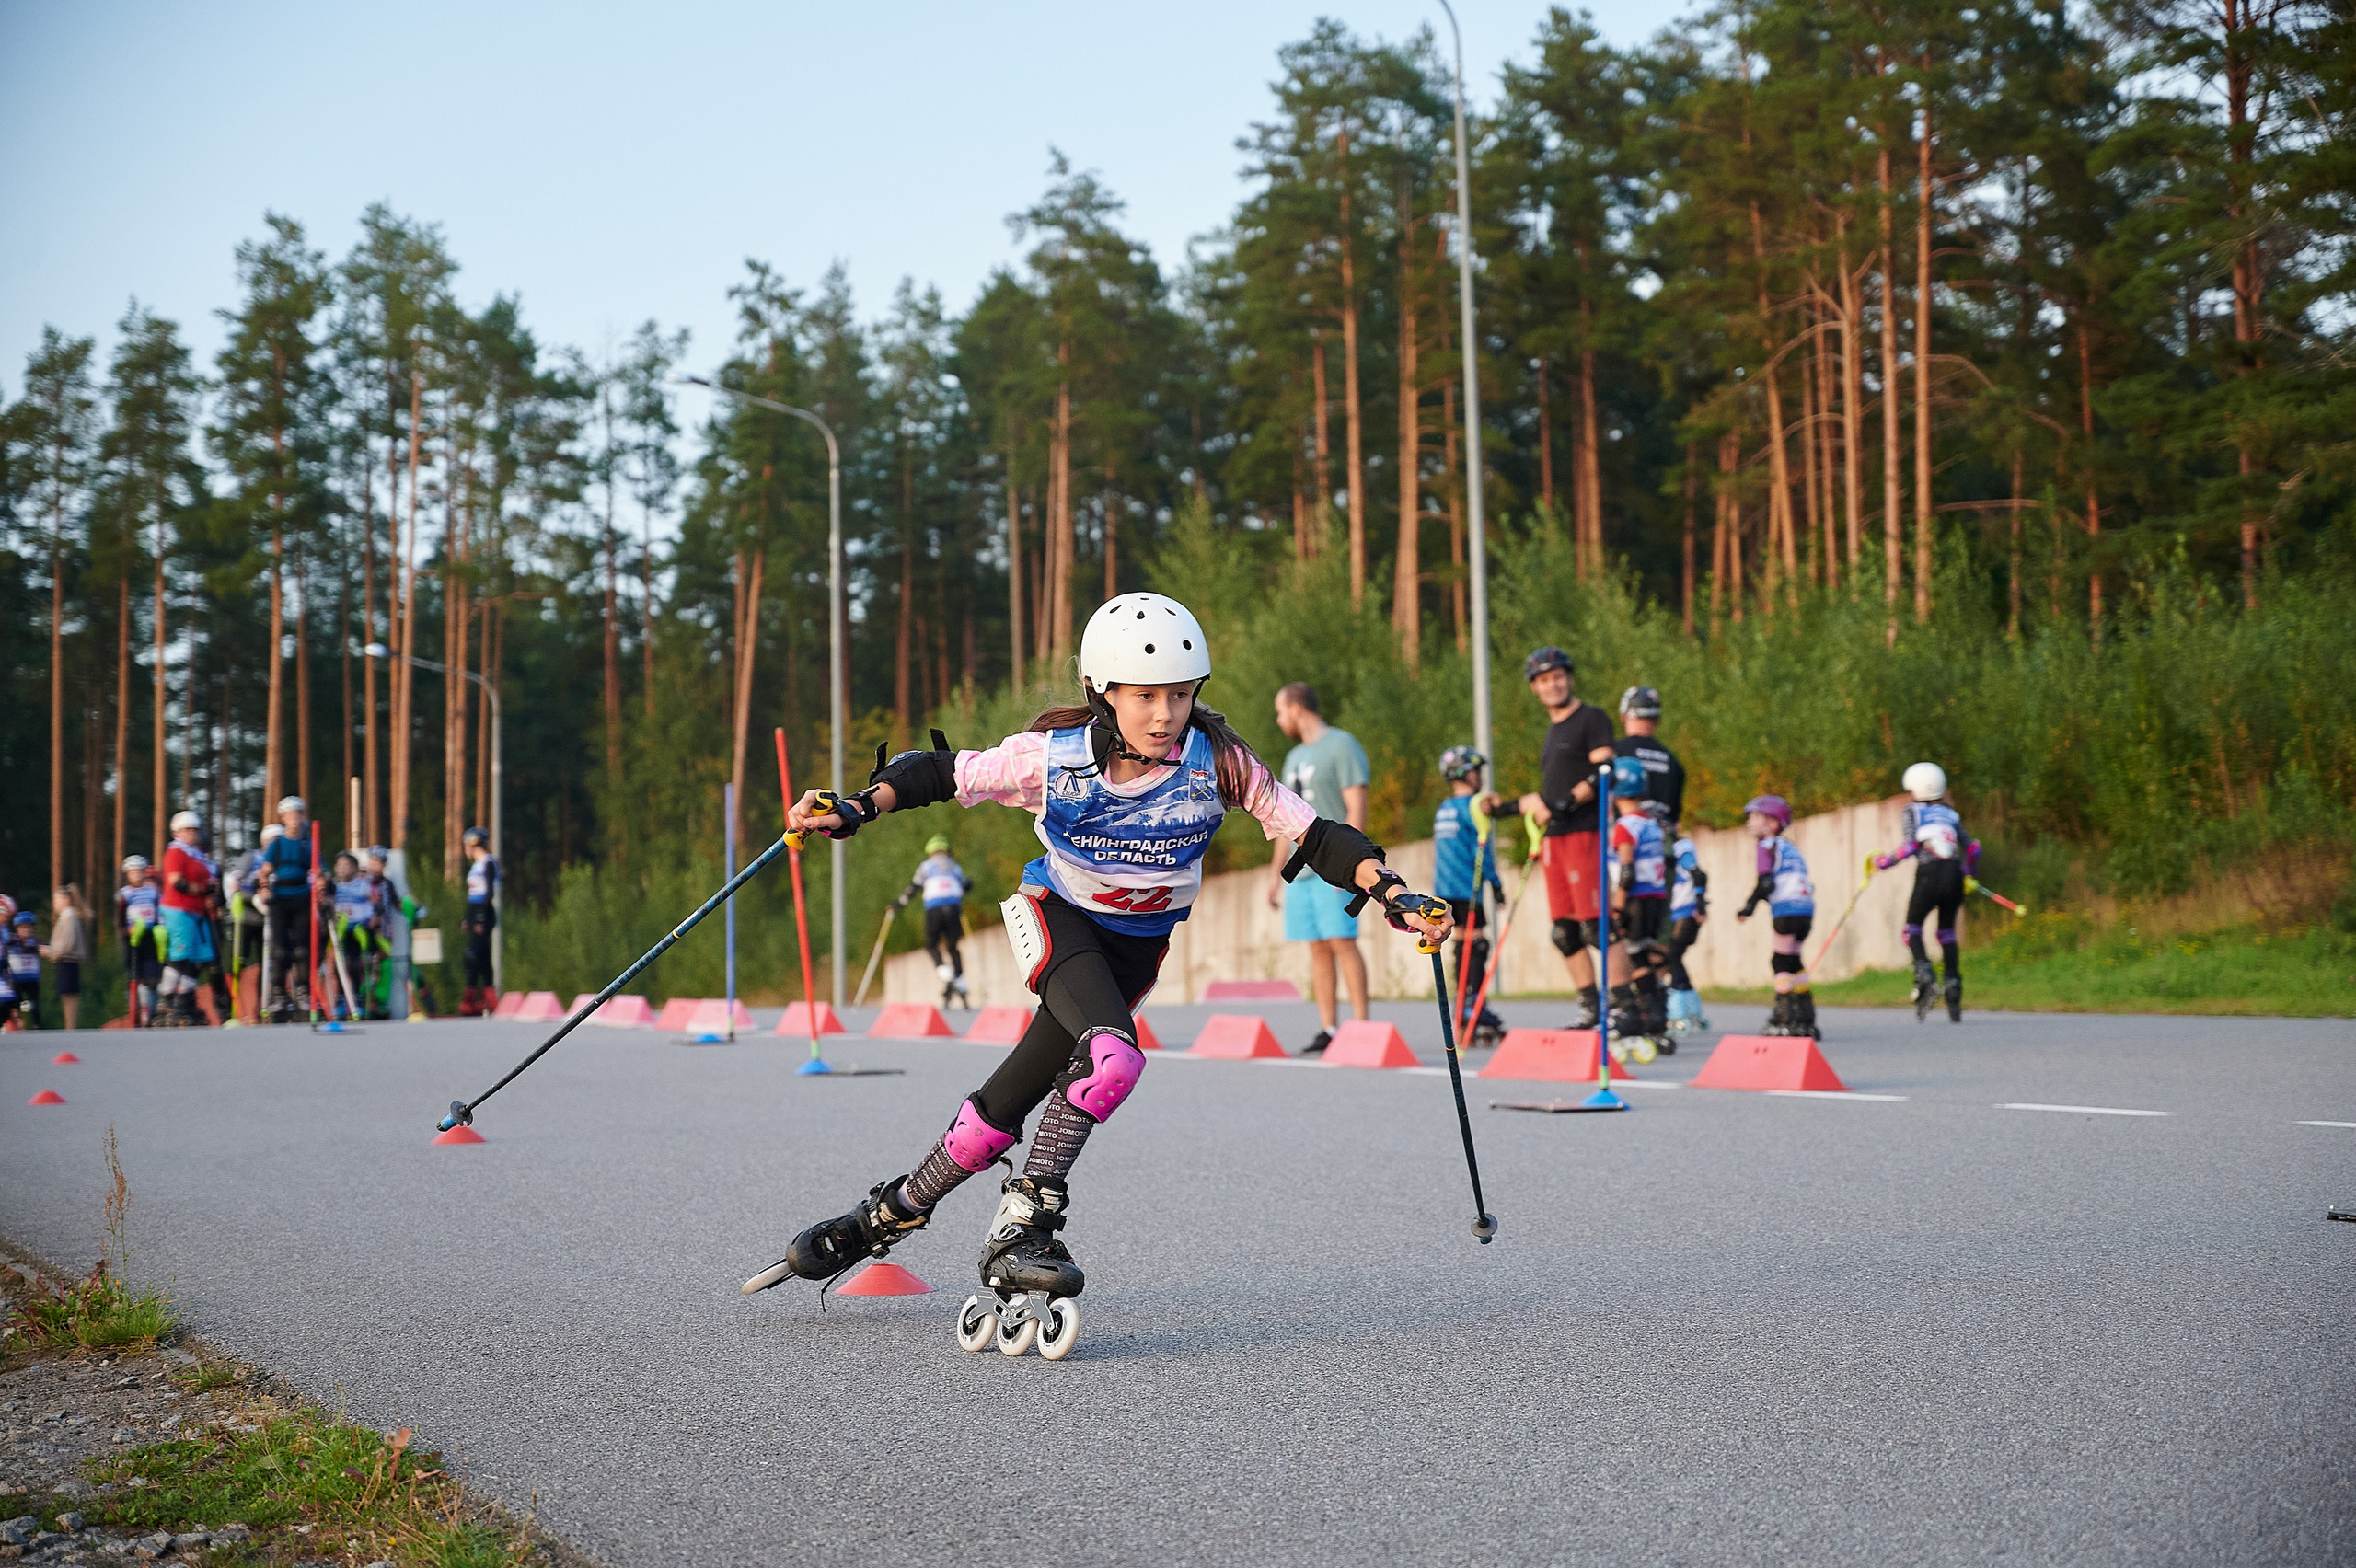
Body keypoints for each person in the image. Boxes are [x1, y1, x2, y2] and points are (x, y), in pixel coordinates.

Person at [749, 592, 1452, 1358]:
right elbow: (943, 773)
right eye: (1145, 696)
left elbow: (1314, 833)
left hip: (1134, 949)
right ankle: (1027, 1225)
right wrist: (858, 804)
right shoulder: (1051, 761)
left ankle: (884, 1215)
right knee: (1114, 1057)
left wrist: (1390, 888)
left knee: (1009, 1105)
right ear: (1103, 693)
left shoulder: (1217, 764)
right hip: (1057, 915)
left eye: (1180, 695)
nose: (1164, 713)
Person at [1483, 647, 1618, 1029]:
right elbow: (1545, 799)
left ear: (1569, 679)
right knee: (1565, 932)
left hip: (1584, 833)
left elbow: (1605, 771)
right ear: (1534, 688)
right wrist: (1504, 807)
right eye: (1544, 680)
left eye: (1558, 676)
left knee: (1598, 926)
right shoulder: (1553, 731)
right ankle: (1592, 1008)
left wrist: (1564, 803)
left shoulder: (1591, 719)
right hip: (1554, 839)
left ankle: (1626, 1007)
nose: (1552, 684)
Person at [1265, 682, 1373, 1055]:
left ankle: (1362, 1027)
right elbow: (1284, 821)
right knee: (1316, 948)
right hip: (1303, 873)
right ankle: (1329, 1027)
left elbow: (1356, 806)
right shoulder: (1294, 758)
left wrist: (1354, 863)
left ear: (1296, 708)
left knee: (1343, 941)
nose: (1280, 720)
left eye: (1281, 712)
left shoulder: (1342, 745)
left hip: (1336, 866)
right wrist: (1275, 877)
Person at [1871, 761, 1981, 1024]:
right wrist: (1969, 875)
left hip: (1929, 875)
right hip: (1953, 874)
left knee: (1912, 930)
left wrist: (1885, 862)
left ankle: (1925, 975)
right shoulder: (1951, 815)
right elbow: (1974, 848)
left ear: (1916, 790)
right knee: (1946, 933)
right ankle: (1953, 987)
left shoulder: (1912, 811)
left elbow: (1911, 845)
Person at [1432, 745, 1506, 1045]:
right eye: (1477, 771)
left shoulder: (1444, 808)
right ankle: (1474, 1004)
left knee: (1461, 944)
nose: (1481, 777)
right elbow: (1483, 849)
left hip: (1444, 889)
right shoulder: (1473, 806)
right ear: (1466, 772)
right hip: (1467, 887)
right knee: (1477, 943)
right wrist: (1496, 883)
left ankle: (1462, 1003)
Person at [1733, 794, 1818, 1039]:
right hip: (1806, 909)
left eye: (1755, 817)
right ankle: (1805, 1014)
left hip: (1786, 909)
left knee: (1779, 961)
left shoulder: (1765, 845)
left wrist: (1748, 907)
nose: (1749, 822)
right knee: (1794, 960)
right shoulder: (1791, 848)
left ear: (1771, 824)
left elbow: (1766, 882)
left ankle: (1784, 1014)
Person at [1607, 758, 1673, 1044]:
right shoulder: (1652, 824)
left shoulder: (1625, 826)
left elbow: (1626, 870)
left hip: (1634, 899)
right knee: (1643, 953)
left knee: (1633, 955)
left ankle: (1650, 1012)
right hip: (1656, 898)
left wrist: (1618, 905)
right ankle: (1657, 1012)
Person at [156, 811, 221, 1027]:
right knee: (181, 956)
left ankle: (183, 1000)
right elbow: (177, 883)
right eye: (187, 830)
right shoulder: (176, 852)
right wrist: (203, 889)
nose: (192, 834)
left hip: (197, 913)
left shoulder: (195, 854)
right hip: (178, 910)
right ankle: (165, 999)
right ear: (177, 832)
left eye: (194, 830)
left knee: (197, 960)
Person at [899, 835, 975, 1010]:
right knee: (953, 946)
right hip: (954, 908)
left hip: (934, 909)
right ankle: (960, 983)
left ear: (929, 853)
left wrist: (900, 902)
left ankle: (947, 975)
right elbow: (967, 885)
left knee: (931, 946)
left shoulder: (926, 867)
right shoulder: (954, 868)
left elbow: (915, 886)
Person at [259, 797, 315, 1018]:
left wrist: (322, 883)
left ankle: (302, 990)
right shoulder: (277, 845)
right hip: (280, 898)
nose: (294, 820)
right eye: (290, 815)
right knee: (280, 949)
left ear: (302, 818)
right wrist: (263, 888)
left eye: (297, 815)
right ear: (283, 819)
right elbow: (264, 871)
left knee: (301, 948)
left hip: (301, 897)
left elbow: (320, 870)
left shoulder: (307, 844)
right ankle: (279, 993)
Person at [1661, 809, 1709, 1035]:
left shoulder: (1682, 846)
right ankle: (1692, 1010)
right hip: (1676, 912)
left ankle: (1679, 1012)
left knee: (1671, 957)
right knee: (1675, 959)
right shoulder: (1660, 849)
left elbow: (1699, 875)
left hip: (1686, 912)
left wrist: (1700, 906)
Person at [1612, 686, 1686, 827]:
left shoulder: (1616, 752)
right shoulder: (1673, 761)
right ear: (1657, 719)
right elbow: (1675, 818)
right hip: (1660, 841)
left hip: (1625, 840)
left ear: (1623, 716)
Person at [115, 855, 163, 1027]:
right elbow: (119, 920)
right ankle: (135, 1011)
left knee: (153, 975)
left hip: (150, 937)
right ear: (127, 874)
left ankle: (152, 1010)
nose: (137, 876)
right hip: (133, 940)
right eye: (133, 873)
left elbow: (159, 912)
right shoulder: (124, 894)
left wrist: (161, 928)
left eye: (139, 872)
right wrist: (126, 931)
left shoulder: (153, 892)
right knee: (135, 975)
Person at [39, 886, 90, 1031]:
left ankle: (70, 1027)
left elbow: (67, 943)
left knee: (69, 995)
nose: (54, 903)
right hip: (66, 961)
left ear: (66, 900)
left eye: (56, 900)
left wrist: (50, 952)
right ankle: (70, 1026)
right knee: (67, 994)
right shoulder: (68, 917)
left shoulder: (69, 917)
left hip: (67, 960)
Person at [460, 826, 499, 1016]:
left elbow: (488, 893)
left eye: (466, 845)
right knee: (481, 958)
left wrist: (480, 919)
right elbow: (472, 895)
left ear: (474, 844)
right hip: (475, 913)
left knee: (474, 956)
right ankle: (488, 1001)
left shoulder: (488, 863)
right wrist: (467, 919)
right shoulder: (476, 865)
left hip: (483, 914)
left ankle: (471, 999)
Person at [4, 911, 40, 1030]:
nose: (27, 930)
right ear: (18, 929)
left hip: (31, 978)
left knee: (34, 1002)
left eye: (29, 928)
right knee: (16, 1003)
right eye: (24, 928)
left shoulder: (34, 941)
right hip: (17, 978)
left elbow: (41, 947)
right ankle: (15, 1025)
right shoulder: (12, 940)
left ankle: (37, 1024)